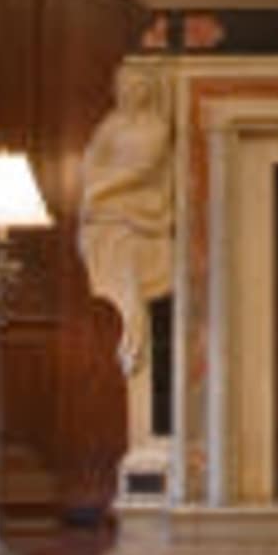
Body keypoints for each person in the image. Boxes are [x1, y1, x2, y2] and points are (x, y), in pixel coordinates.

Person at [75, 62, 174, 373]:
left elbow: (142, 171)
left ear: (148, 91)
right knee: (109, 245)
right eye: (124, 86)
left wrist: (101, 190)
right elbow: (91, 160)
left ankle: (134, 331)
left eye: (136, 86)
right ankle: (131, 326)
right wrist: (97, 187)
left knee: (126, 254)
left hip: (143, 206)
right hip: (107, 206)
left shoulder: (156, 128)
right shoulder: (112, 125)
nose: (129, 92)